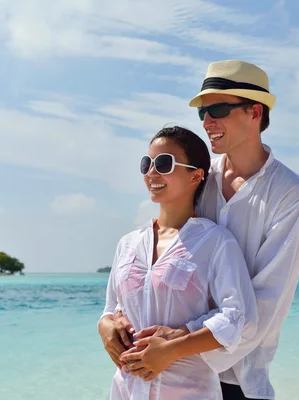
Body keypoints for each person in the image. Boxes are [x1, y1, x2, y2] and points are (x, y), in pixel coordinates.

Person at [101, 60, 299, 399]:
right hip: (163, 372)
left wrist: (179, 341)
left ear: (255, 112)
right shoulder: (199, 175)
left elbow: (267, 300)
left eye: (218, 108)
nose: (207, 121)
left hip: (238, 378)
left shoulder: (289, 193)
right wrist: (111, 322)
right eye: (203, 112)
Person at [99, 126, 259, 400]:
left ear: (196, 174)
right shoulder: (128, 244)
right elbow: (111, 308)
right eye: (146, 164)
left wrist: (173, 349)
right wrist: (104, 328)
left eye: (163, 163)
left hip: (188, 391)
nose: (151, 173)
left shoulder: (215, 242)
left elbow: (238, 317)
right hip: (126, 390)